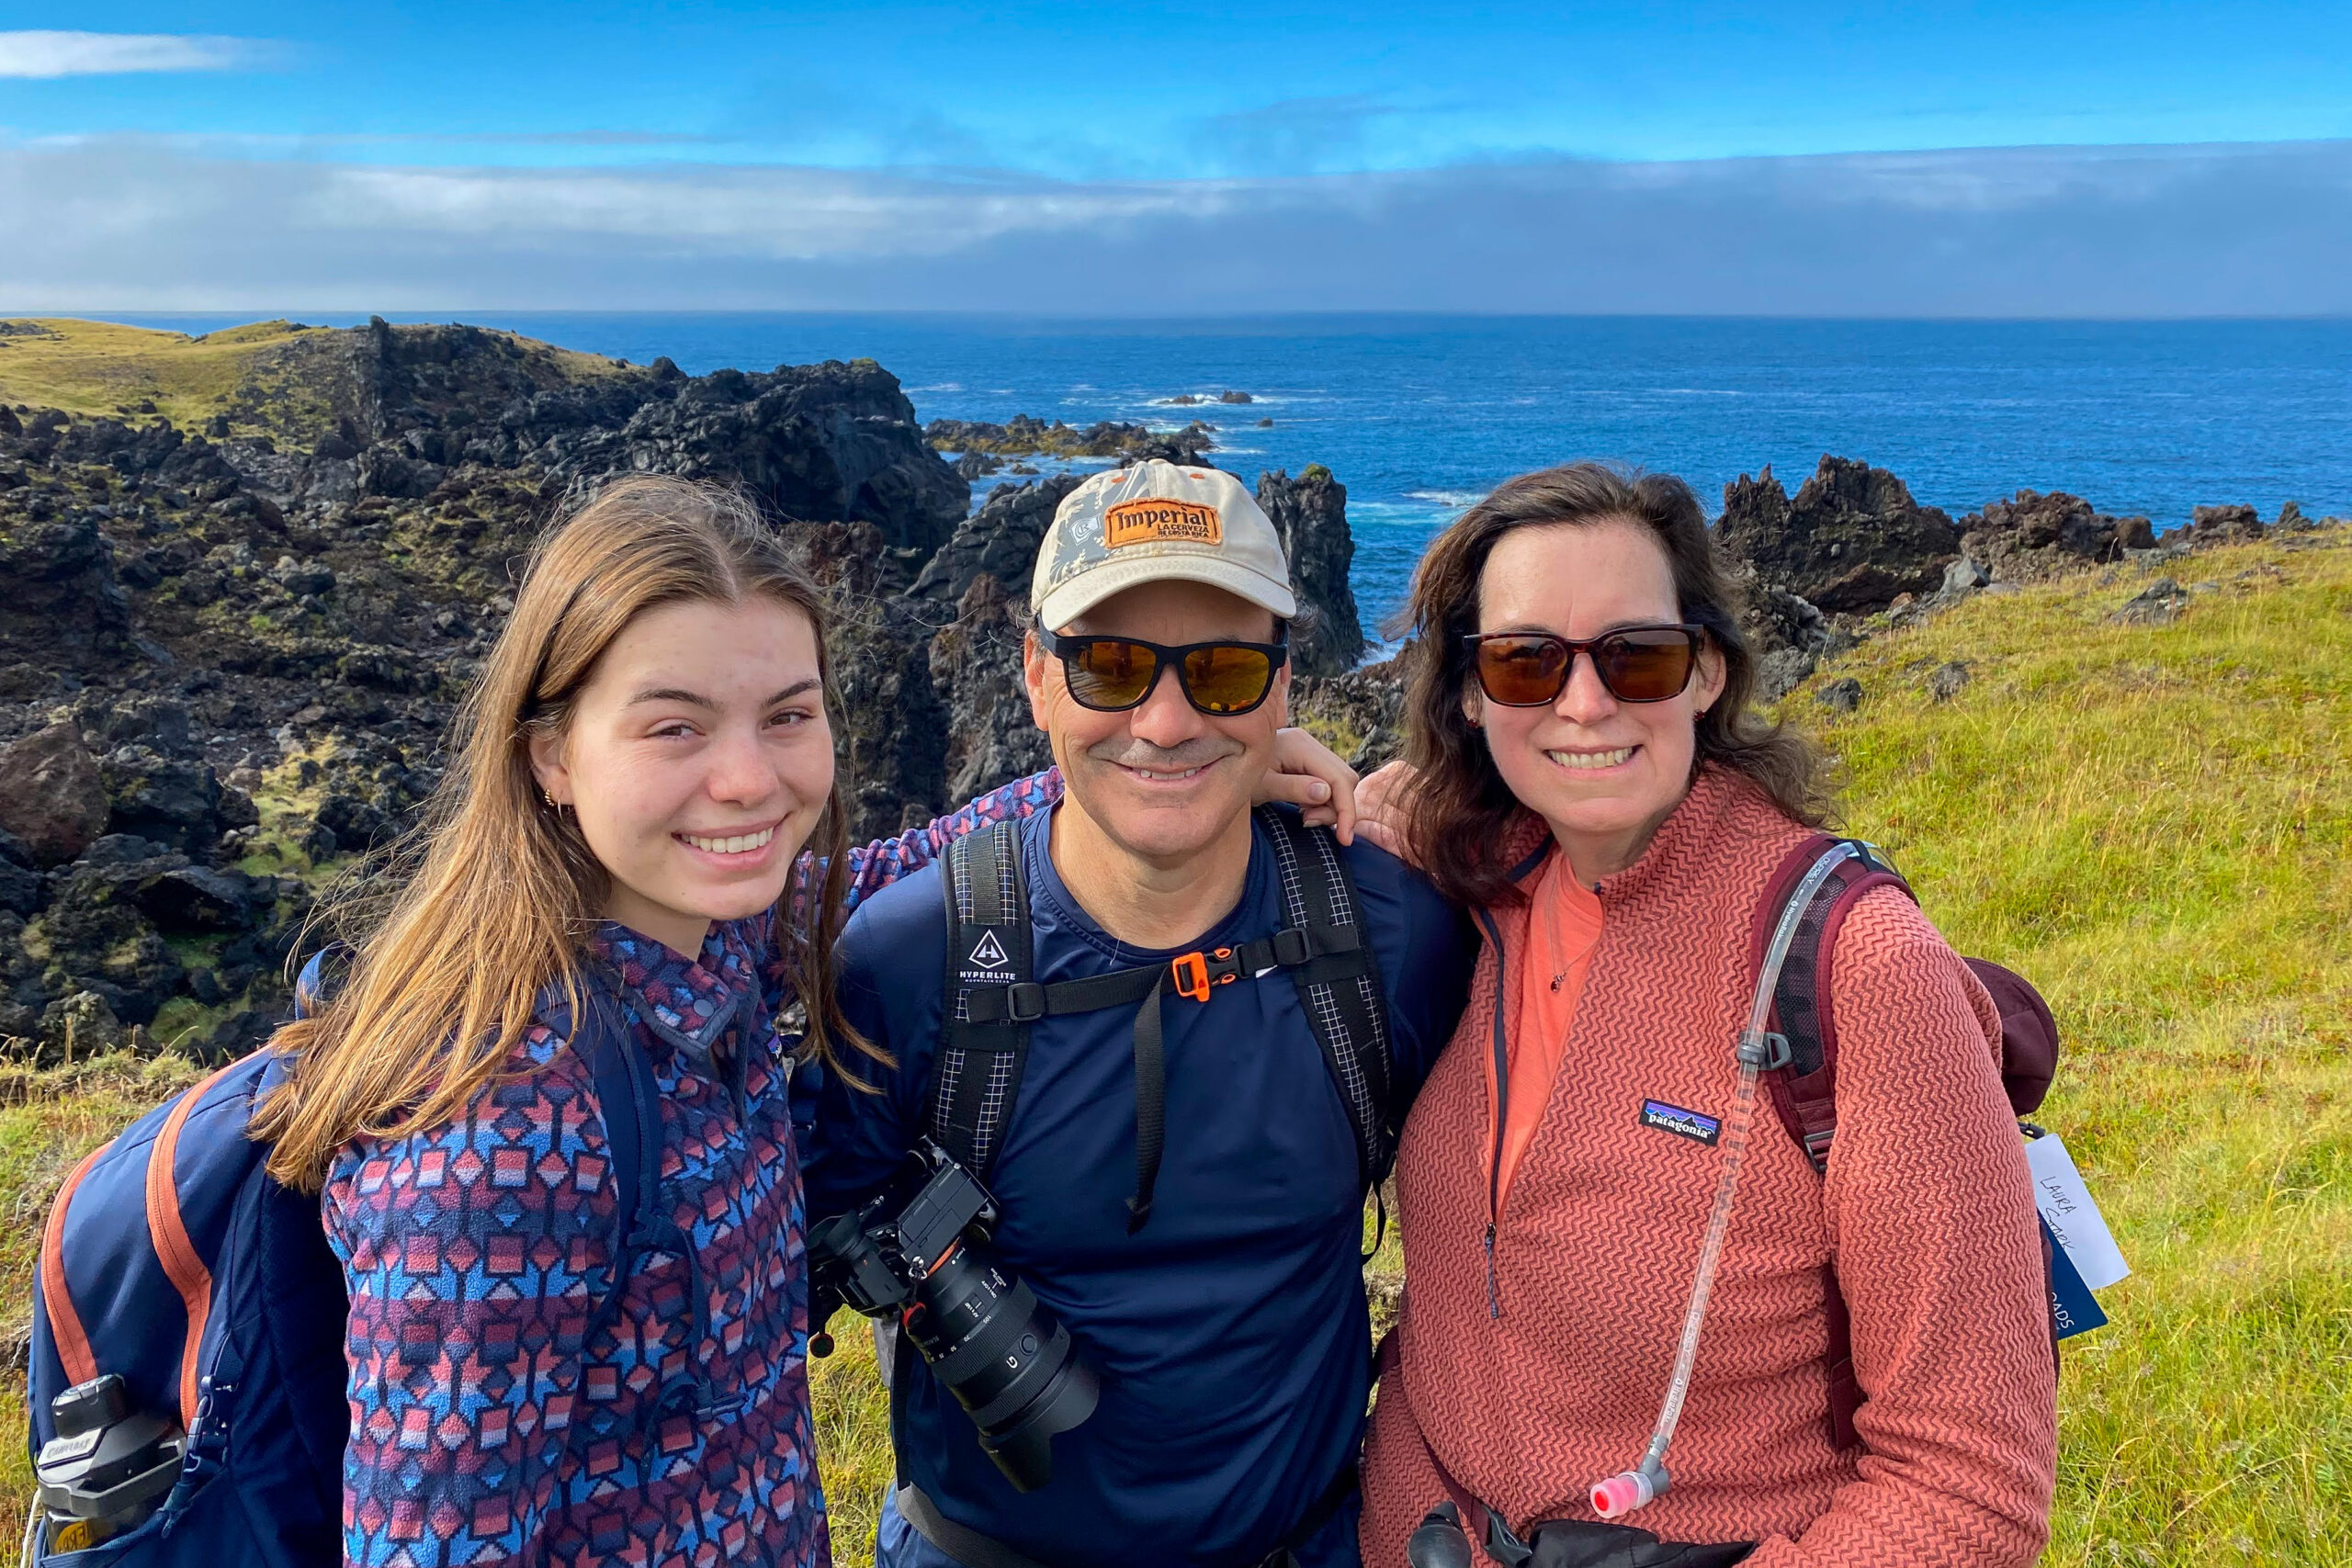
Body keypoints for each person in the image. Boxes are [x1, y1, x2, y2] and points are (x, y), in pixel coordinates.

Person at [247, 475, 1360, 1567]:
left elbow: (903, 867)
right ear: (551, 754)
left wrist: (1181, 769)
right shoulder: (503, 1132)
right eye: (673, 728)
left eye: (786, 716)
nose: (746, 780)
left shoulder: (713, 937)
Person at [1352, 464, 2056, 1567]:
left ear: (1706, 673)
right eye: (1526, 662)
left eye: (1635, 656)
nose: (1584, 704)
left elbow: (1968, 1487)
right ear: (1468, 695)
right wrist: (1268, 778)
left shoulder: (1859, 969)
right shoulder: (1457, 887)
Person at [806, 460, 1478, 1568]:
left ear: (1283, 689)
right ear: (1035, 677)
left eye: (1223, 673)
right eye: (1110, 667)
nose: (1165, 722)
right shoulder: (909, 961)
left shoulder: (1387, 932)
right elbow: (743, 1300)